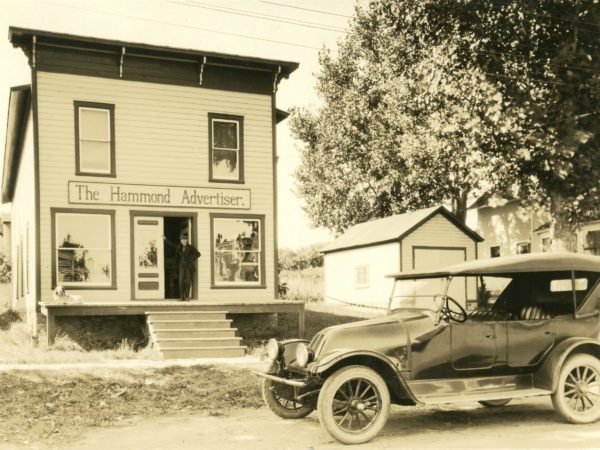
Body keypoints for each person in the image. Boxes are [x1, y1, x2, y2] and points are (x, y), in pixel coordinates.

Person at [174, 233, 200, 301]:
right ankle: (182, 297)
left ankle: (187, 297)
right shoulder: (179, 247)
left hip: (188, 266)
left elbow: (198, 254)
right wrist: (165, 240)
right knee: (181, 282)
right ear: (180, 241)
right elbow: (172, 246)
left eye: (185, 240)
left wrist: (191, 259)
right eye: (182, 240)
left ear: (187, 240)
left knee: (188, 281)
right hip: (181, 266)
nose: (183, 241)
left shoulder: (191, 247)